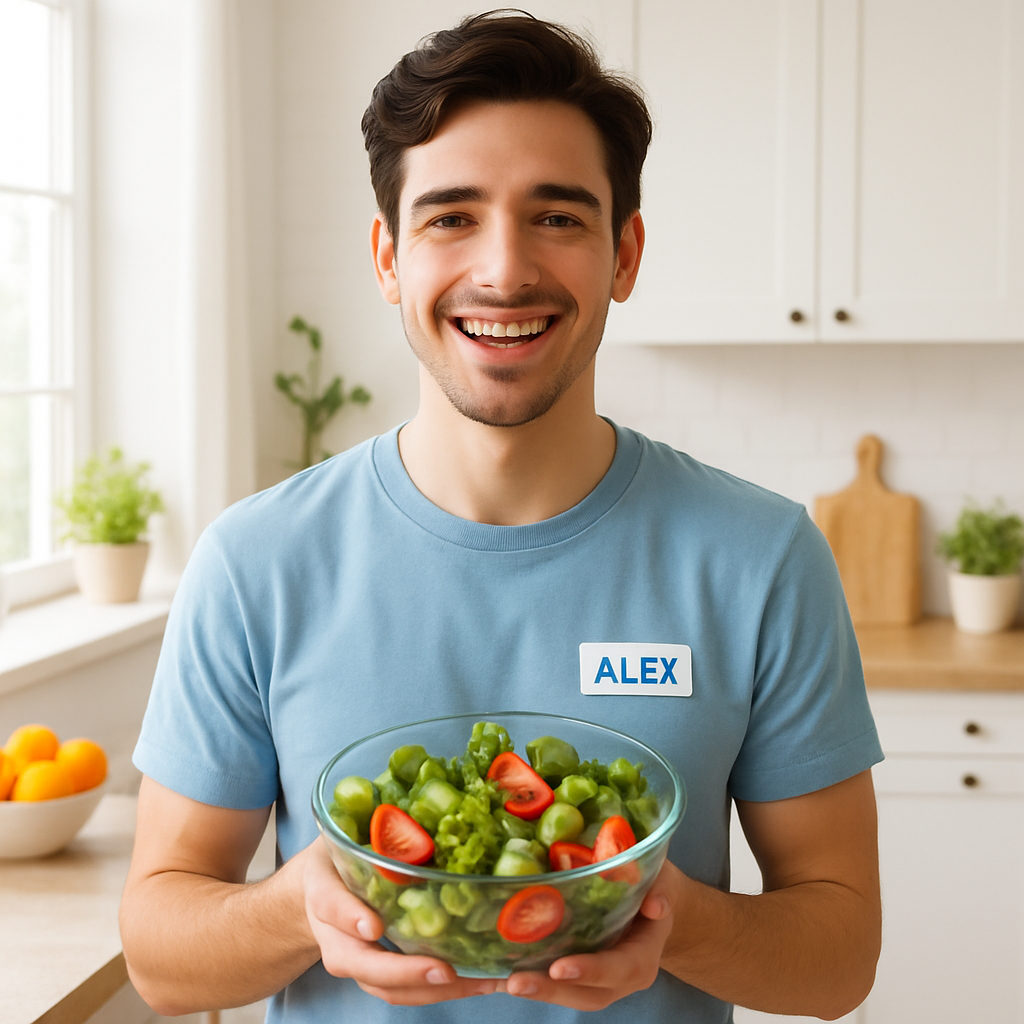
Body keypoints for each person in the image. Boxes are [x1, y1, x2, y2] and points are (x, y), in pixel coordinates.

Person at [120, 11, 883, 1024]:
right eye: (451, 217)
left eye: (557, 217)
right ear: (389, 256)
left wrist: (670, 918)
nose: (504, 269)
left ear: (624, 253)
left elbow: (838, 964)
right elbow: (162, 961)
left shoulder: (760, 558)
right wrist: (299, 907)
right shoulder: (256, 560)